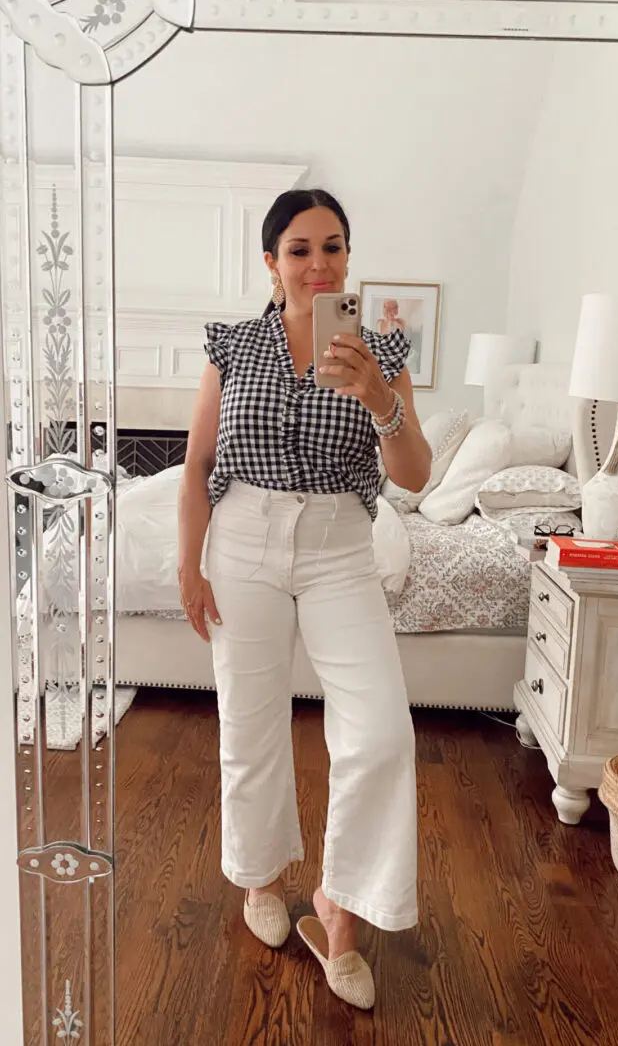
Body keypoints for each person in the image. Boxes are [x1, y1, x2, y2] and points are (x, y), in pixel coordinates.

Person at [177, 188, 431, 1010]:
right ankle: (257, 879)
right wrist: (189, 563)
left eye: (333, 246)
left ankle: (340, 907)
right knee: (249, 723)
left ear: (349, 257)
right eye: (299, 249)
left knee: (383, 731)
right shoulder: (235, 344)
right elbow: (195, 465)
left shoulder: (380, 352)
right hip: (243, 538)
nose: (319, 263)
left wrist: (379, 401)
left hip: (337, 549)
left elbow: (415, 476)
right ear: (271, 263)